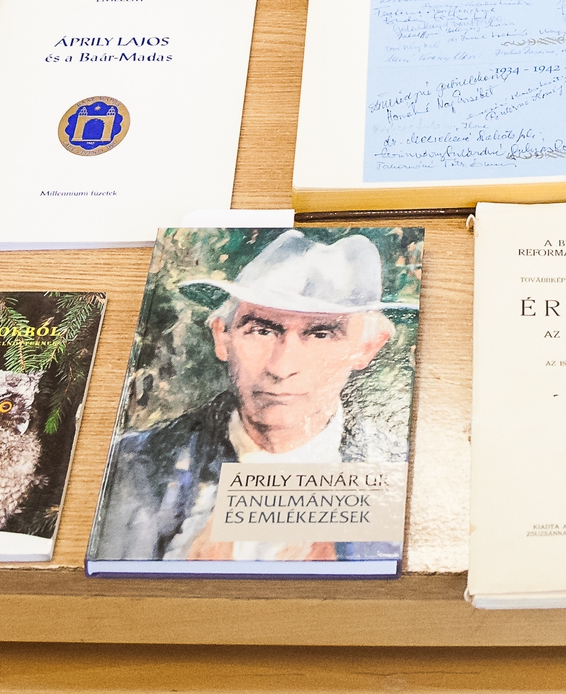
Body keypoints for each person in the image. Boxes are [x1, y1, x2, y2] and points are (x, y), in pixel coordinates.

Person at [90, 232, 414, 563]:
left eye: (320, 334)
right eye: (262, 331)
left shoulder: (404, 474)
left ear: (367, 348)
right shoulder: (135, 465)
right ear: (222, 336)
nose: (281, 367)